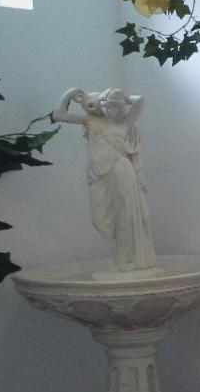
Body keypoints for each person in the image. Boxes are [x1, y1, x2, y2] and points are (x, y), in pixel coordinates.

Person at [53, 87, 157, 273]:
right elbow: (59, 115)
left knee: (125, 215)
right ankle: (120, 254)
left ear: (119, 109)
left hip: (121, 169)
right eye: (105, 106)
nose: (108, 110)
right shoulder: (92, 121)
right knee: (99, 219)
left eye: (113, 107)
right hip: (98, 174)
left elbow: (139, 99)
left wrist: (120, 97)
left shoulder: (125, 123)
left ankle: (125, 258)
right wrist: (70, 93)